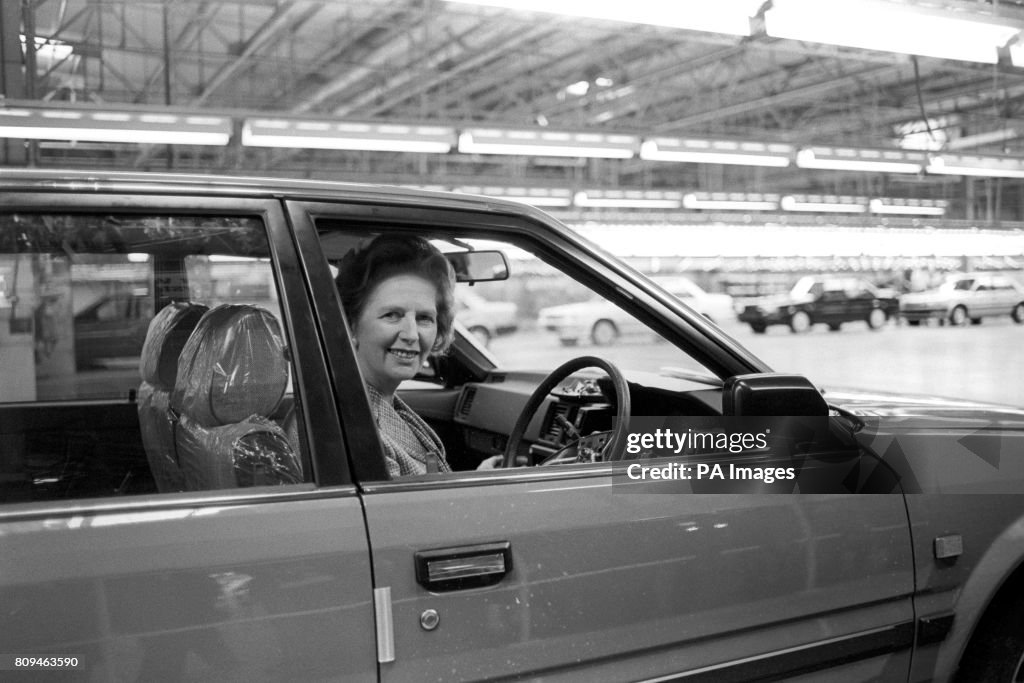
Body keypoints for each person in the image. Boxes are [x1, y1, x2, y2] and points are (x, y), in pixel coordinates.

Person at [336, 234, 501, 477]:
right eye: (392, 315)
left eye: (424, 318)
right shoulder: (357, 432)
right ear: (350, 324)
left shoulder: (373, 404)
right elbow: (412, 514)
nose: (412, 334)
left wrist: (479, 479)